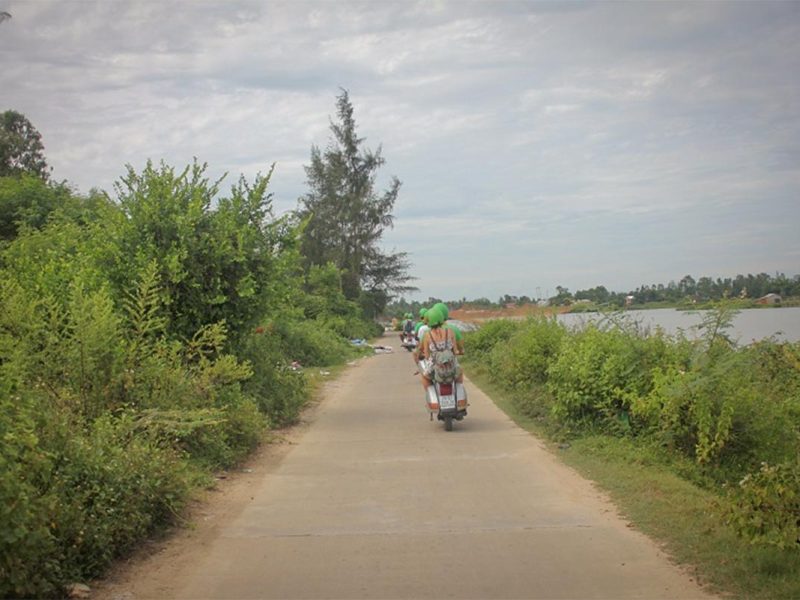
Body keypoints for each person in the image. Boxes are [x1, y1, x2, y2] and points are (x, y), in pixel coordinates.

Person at [418, 306, 463, 390]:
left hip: (435, 365)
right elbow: (455, 351)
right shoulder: (450, 331)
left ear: (428, 321)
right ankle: (459, 396)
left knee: (425, 377)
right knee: (460, 372)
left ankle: (432, 397)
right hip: (451, 363)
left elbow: (427, 356)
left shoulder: (427, 335)